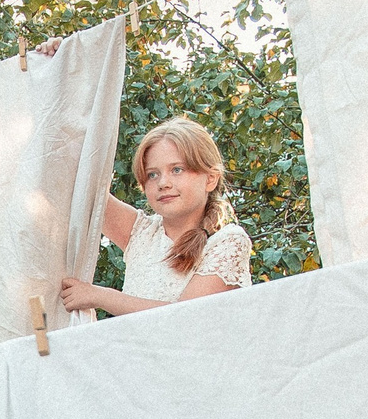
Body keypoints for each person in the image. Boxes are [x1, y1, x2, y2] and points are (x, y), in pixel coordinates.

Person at [54, 109, 254, 317]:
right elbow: (81, 185)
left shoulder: (229, 241)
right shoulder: (141, 232)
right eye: (152, 174)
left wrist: (100, 296)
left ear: (210, 179)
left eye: (177, 170)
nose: (163, 183)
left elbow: (184, 317)